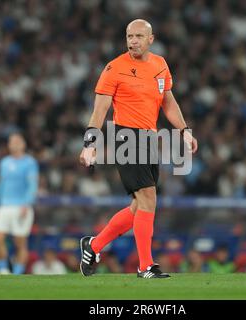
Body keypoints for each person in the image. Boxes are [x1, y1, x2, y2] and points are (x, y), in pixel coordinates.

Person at [79, 19, 198, 278]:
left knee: (138, 207)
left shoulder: (160, 65)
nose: (133, 41)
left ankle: (94, 245)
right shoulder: (114, 68)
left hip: (149, 138)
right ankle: (145, 266)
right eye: (129, 36)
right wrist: (90, 144)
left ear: (150, 39)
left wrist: (184, 130)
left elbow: (168, 102)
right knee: (148, 198)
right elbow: (99, 111)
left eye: (138, 36)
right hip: (125, 137)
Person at [0, 133, 39, 275]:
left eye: (17, 141)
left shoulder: (30, 162)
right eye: (11, 142)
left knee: (19, 243)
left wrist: (26, 204)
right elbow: (0, 185)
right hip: (4, 206)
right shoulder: (4, 162)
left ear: (23, 144)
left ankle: (17, 274)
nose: (14, 144)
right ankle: (3, 269)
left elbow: (32, 185)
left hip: (21, 206)